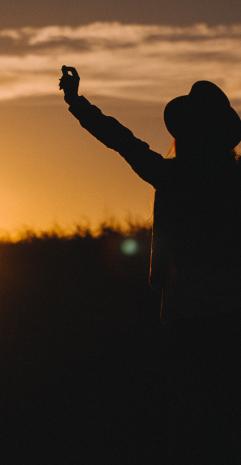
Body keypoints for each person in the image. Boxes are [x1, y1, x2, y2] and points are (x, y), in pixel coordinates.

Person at [59, 66, 241, 461]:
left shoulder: (171, 175)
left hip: (186, 313)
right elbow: (121, 140)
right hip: (227, 313)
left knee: (191, 423)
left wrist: (76, 102)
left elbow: (120, 140)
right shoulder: (232, 179)